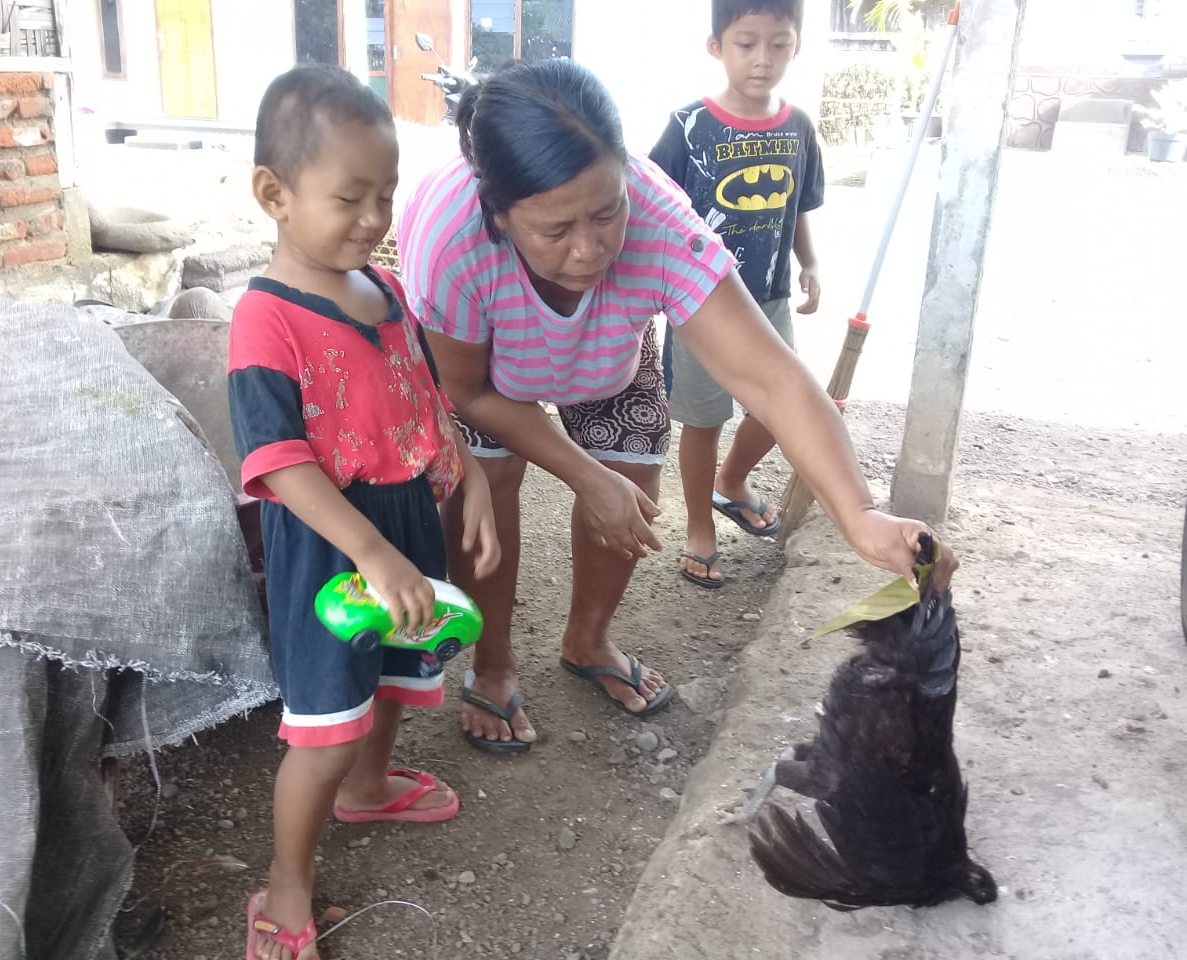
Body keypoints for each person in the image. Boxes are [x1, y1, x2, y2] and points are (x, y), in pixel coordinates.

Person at [397, 57, 952, 754]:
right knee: (487, 484)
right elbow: (468, 390)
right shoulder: (452, 238)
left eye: (608, 212)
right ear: (500, 215)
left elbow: (771, 377)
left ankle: (587, 639)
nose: (589, 249)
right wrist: (583, 475)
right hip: (486, 372)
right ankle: (493, 662)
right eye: (555, 230)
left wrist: (859, 515)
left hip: (606, 351)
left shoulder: (659, 219)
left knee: (632, 474)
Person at [227, 65, 500, 960]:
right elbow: (278, 462)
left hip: (404, 527)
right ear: (274, 193)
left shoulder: (389, 292)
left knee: (390, 677)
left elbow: (424, 400)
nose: (374, 217)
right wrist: (372, 552)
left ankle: (370, 787)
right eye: (350, 197)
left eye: (386, 195)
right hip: (330, 551)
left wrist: (471, 479)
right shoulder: (265, 320)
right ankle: (286, 881)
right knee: (324, 725)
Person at [653, 0, 825, 588]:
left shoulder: (799, 127)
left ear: (796, 46)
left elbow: (798, 204)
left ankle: (730, 481)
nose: (762, 59)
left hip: (771, 298)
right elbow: (652, 205)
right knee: (703, 420)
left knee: (784, 406)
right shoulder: (687, 126)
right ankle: (699, 527)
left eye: (779, 44)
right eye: (746, 43)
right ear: (716, 47)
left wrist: (810, 263)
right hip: (699, 303)